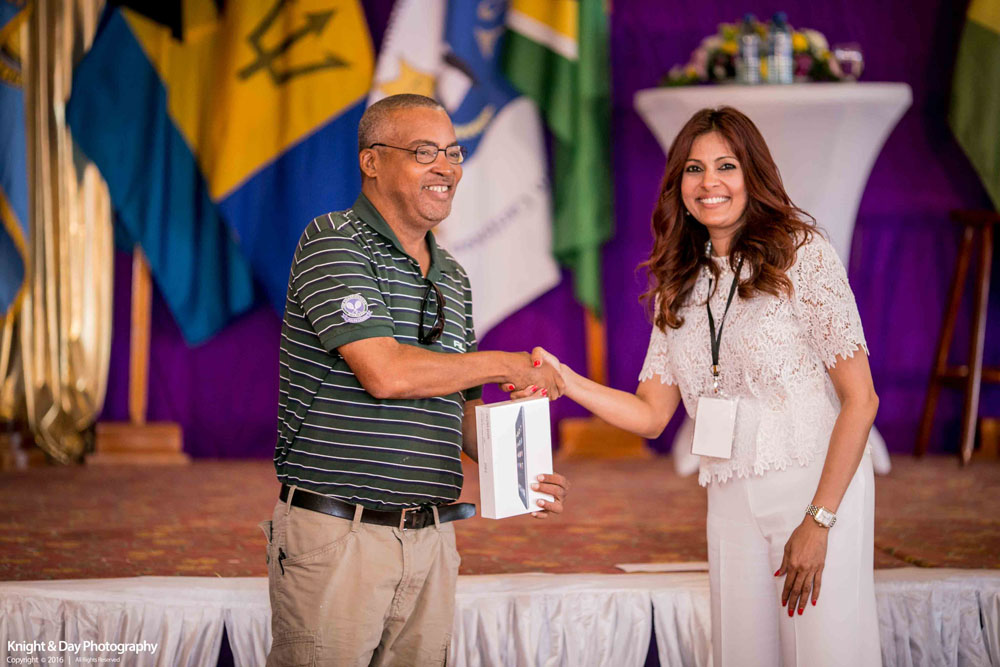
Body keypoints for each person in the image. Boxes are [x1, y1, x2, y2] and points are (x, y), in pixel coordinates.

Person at [515, 107, 880, 666]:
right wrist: (566, 379)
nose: (710, 182)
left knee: (826, 653)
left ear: (753, 174)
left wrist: (819, 521)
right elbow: (650, 414)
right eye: (694, 168)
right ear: (678, 185)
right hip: (729, 494)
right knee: (743, 653)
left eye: (726, 165)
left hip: (812, 486)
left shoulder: (802, 254)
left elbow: (861, 399)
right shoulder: (680, 283)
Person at [263, 93, 569, 667]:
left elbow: (460, 412)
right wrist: (505, 364)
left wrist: (522, 471)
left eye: (453, 152)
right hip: (340, 535)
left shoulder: (453, 276)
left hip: (433, 540)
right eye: (424, 152)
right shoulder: (333, 240)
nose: (445, 168)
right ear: (371, 161)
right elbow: (385, 373)